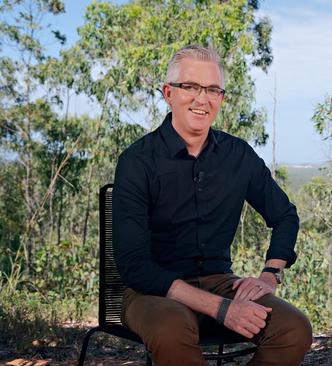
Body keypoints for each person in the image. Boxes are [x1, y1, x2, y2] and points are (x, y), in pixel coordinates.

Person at [112, 45, 312, 366]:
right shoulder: (137, 161)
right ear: (169, 93)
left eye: (213, 90)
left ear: (221, 97)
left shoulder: (239, 155)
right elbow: (134, 265)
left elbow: (285, 216)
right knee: (170, 328)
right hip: (153, 292)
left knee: (293, 329)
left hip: (221, 283)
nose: (202, 99)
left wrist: (269, 275)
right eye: (190, 87)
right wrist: (221, 308)